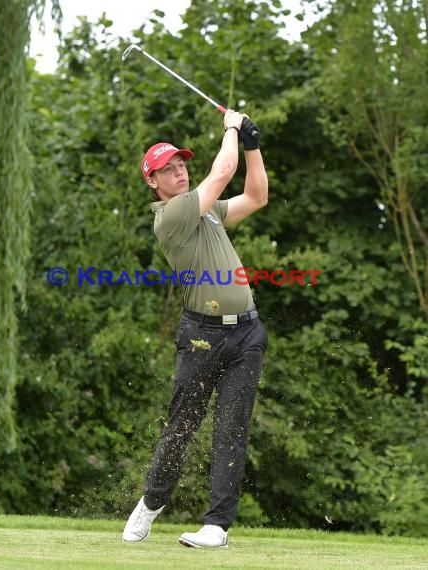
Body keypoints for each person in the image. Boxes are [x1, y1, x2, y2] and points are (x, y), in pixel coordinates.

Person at [122, 110, 269, 548]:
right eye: (168, 169)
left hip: (247, 335)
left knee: (231, 430)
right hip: (202, 335)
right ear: (154, 182)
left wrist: (252, 146)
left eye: (182, 163)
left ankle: (216, 527)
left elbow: (255, 197)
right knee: (182, 426)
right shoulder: (172, 216)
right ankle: (150, 504)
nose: (179, 170)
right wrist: (231, 126)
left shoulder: (206, 214)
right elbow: (222, 173)